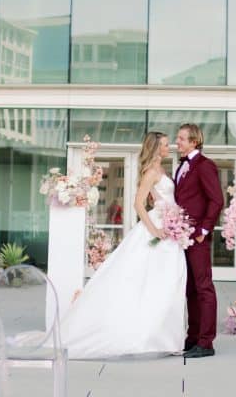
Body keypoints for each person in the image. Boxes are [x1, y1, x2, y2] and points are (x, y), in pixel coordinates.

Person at [61, 131, 187, 359]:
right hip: (158, 227)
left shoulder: (162, 169)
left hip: (170, 227)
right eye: (166, 145)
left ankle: (166, 336)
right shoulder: (151, 172)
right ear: (156, 147)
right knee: (153, 280)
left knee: (168, 281)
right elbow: (139, 204)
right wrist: (155, 229)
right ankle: (151, 336)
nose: (170, 148)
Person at [174, 123, 223, 358]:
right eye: (178, 138)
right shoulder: (181, 166)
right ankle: (193, 338)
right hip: (182, 236)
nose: (178, 142)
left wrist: (204, 228)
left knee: (204, 288)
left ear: (194, 141)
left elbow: (216, 200)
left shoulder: (205, 165)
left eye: (182, 139)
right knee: (190, 289)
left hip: (198, 237)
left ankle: (206, 343)